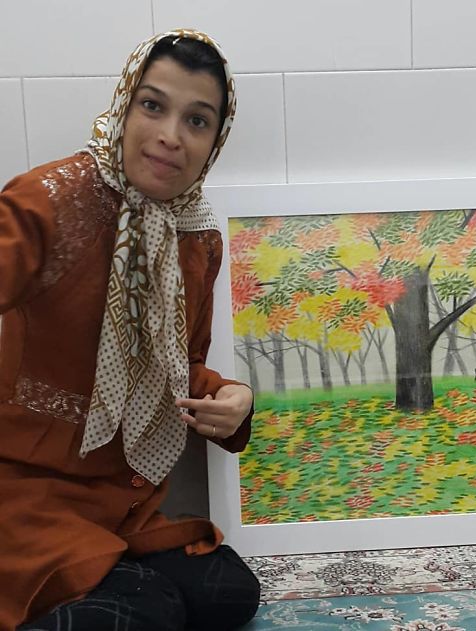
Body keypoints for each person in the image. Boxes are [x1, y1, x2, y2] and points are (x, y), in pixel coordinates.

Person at [0, 29, 260, 630]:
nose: (171, 135)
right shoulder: (49, 201)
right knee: (149, 609)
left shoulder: (195, 236)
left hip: (124, 501)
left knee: (228, 593)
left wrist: (233, 398)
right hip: (25, 498)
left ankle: (105, 584)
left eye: (197, 120)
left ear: (215, 140)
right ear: (124, 105)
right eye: (153, 105)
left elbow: (178, 369)